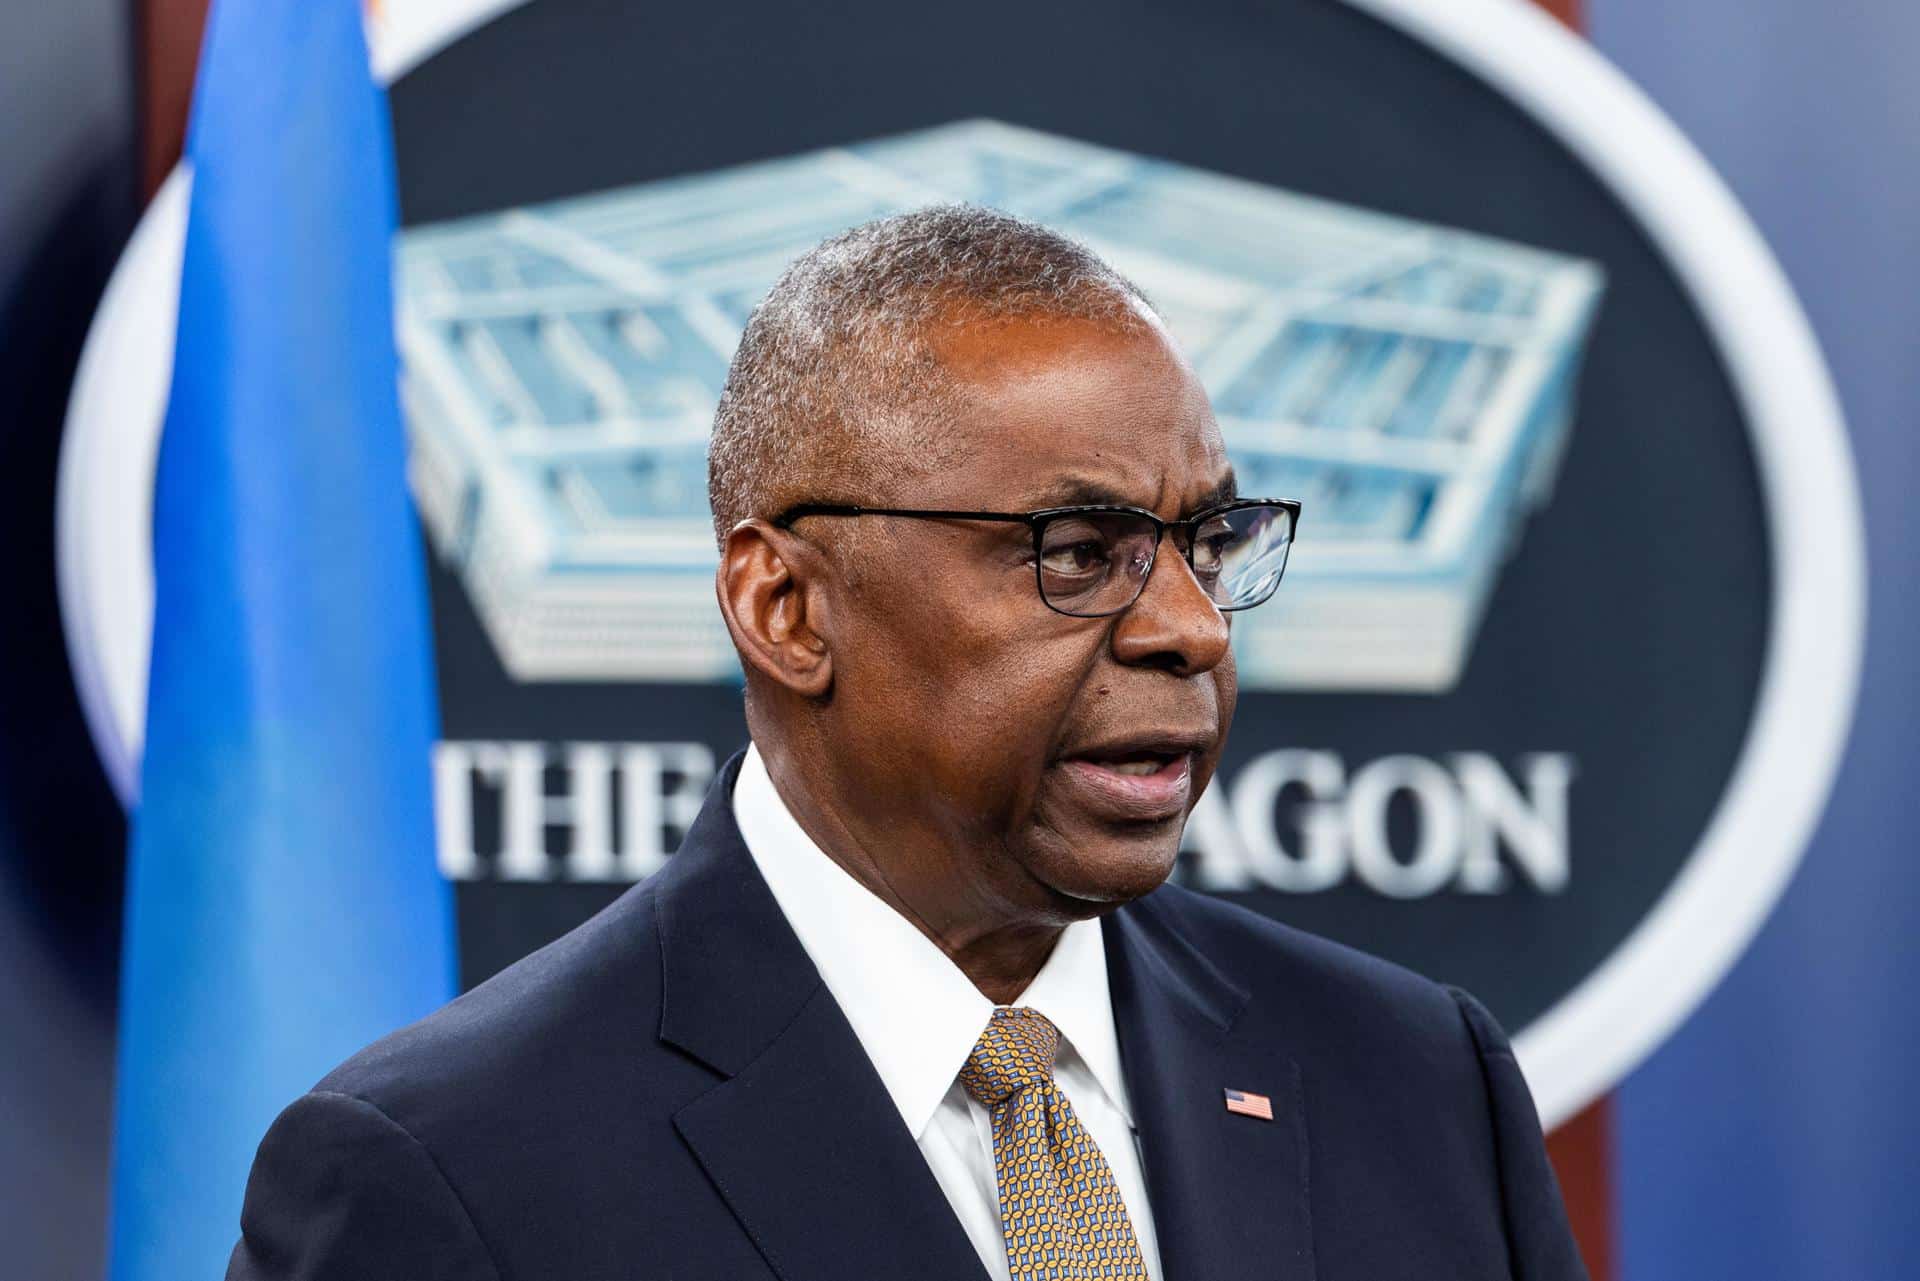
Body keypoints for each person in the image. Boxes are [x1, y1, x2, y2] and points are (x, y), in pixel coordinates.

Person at [227, 206, 1586, 1281]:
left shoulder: (1414, 1082)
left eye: (1210, 543)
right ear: (787, 608)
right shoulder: (451, 1170)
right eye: (1079, 550)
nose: (1192, 629)